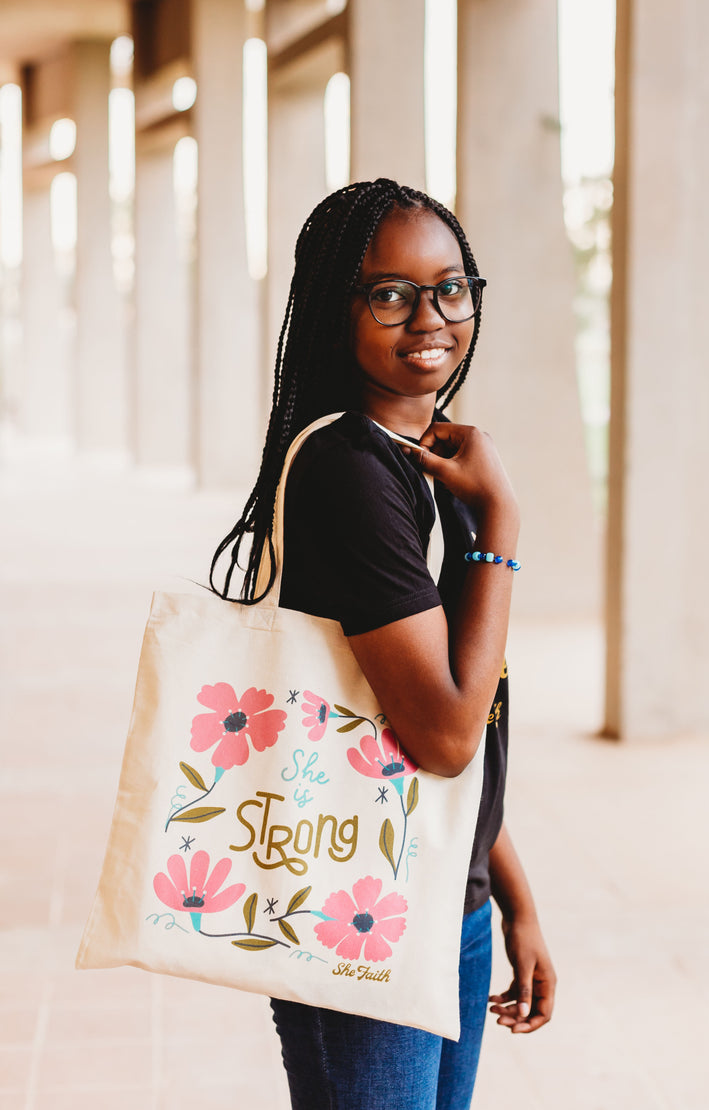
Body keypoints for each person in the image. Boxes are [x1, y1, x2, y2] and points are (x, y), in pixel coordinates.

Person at [212, 179, 556, 1110]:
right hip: (368, 907)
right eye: (390, 293)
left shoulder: (426, 460)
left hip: (452, 894)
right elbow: (444, 735)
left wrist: (508, 893)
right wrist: (500, 531)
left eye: (452, 288)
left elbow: (434, 715)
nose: (431, 318)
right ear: (338, 307)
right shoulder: (349, 471)